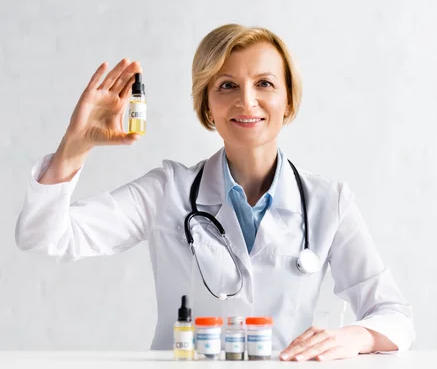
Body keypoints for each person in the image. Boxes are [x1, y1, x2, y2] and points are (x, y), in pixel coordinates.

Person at [15, 24, 415, 361]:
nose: (247, 100)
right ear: (207, 105)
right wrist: (74, 147)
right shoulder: (166, 191)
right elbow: (44, 237)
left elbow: (393, 314)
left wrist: (356, 337)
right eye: (226, 85)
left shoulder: (329, 201)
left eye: (264, 84)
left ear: (288, 100)